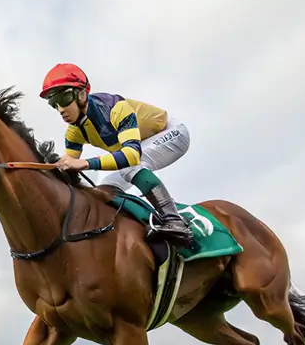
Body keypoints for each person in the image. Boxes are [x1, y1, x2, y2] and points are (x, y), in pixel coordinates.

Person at [40, 63, 194, 247]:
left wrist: (85, 163)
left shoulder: (115, 108)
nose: (60, 109)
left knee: (131, 167)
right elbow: (68, 164)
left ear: (81, 95)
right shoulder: (74, 131)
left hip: (172, 133)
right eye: (53, 103)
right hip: (139, 145)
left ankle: (174, 221)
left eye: (63, 99)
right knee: (105, 189)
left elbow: (131, 156)